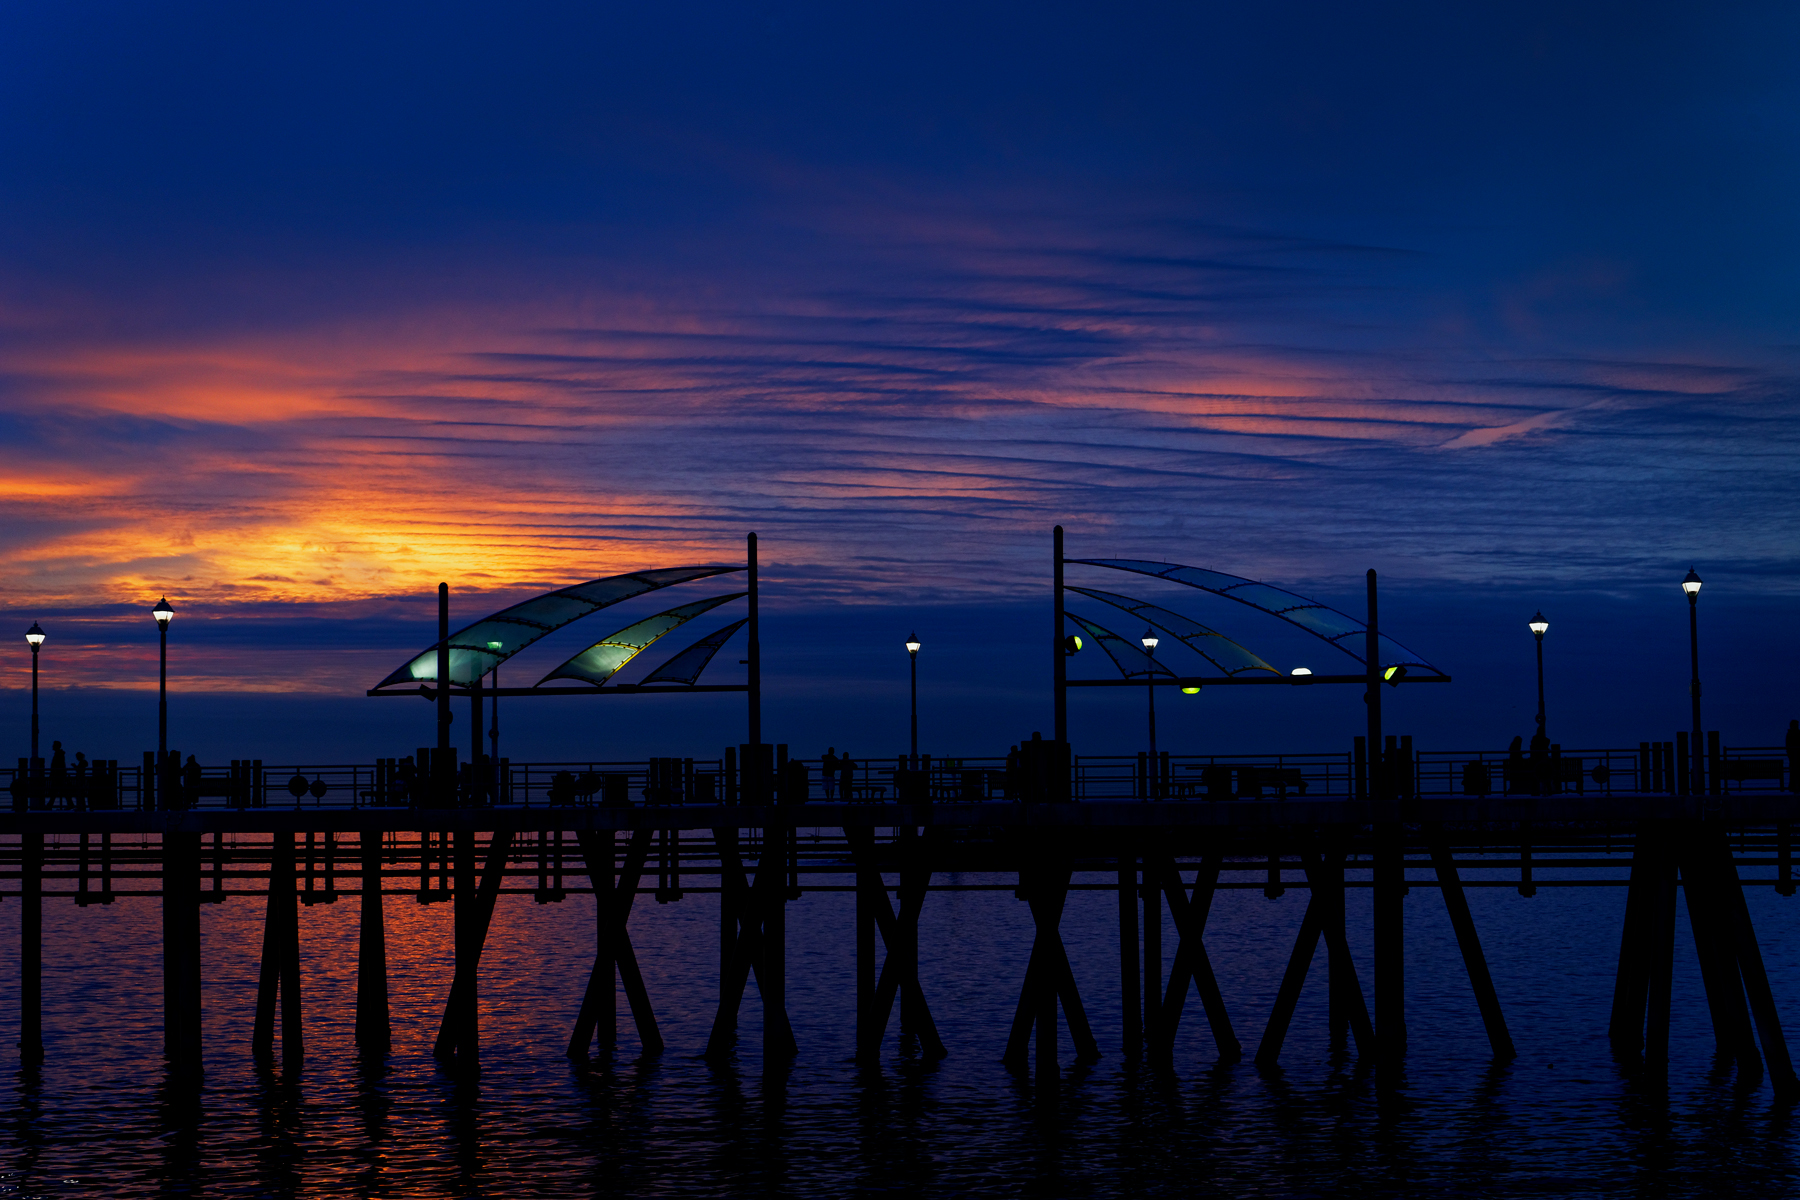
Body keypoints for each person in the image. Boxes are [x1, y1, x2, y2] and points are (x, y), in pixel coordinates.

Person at [1787, 719, 1799, 793]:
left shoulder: (1789, 734)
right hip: (1795, 757)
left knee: (1793, 773)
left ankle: (1793, 788)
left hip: (1793, 757)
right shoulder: (1796, 733)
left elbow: (1787, 746)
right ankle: (1795, 788)